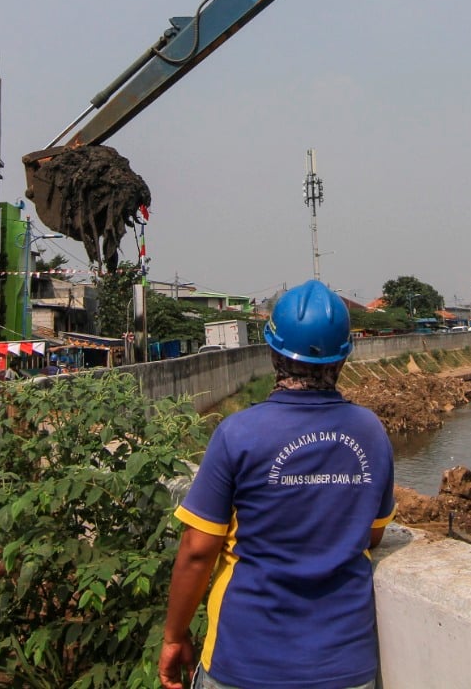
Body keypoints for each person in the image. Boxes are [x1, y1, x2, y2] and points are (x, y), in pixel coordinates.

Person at [158, 280, 394, 689]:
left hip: (243, 661)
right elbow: (372, 536)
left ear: (273, 353)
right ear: (342, 359)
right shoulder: (370, 433)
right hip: (344, 666)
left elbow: (198, 552)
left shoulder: (238, 434)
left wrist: (174, 638)